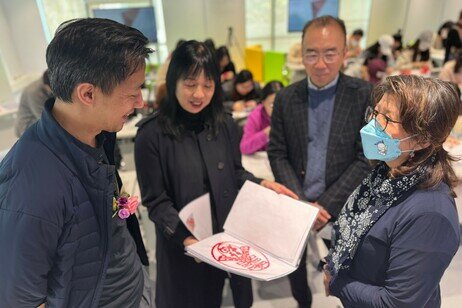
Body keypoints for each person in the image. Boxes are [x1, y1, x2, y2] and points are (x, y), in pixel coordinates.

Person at [0, 18, 153, 307]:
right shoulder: (30, 188)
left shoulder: (97, 134)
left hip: (132, 287)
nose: (140, 103)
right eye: (132, 93)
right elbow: (18, 299)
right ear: (88, 94)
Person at [134, 40, 297, 308]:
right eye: (190, 84)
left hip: (223, 242)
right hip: (182, 246)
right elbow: (156, 201)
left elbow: (234, 174)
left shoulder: (224, 125)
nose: (199, 94)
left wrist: (263, 184)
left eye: (207, 85)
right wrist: (186, 240)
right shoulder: (151, 135)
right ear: (174, 81)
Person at [323, 75, 461, 307]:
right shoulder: (389, 170)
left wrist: (337, 282)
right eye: (375, 112)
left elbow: (398, 303)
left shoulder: (430, 214)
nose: (373, 124)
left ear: (421, 140)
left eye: (387, 119)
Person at [268, 15, 372, 308]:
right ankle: (303, 303)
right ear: (301, 54)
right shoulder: (287, 98)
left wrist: (324, 205)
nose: (320, 63)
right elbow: (277, 152)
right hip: (296, 203)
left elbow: (366, 158)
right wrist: (302, 204)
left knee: (347, 271)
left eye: (330, 53)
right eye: (312, 53)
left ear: (345, 53)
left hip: (342, 206)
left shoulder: (363, 94)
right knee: (295, 265)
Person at [240, 80, 283, 155]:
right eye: (272, 105)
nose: (277, 109)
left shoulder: (290, 114)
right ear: (263, 102)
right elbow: (244, 148)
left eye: (281, 103)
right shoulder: (256, 116)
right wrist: (266, 133)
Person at [14, 70, 53, 137]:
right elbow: (43, 117)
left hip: (38, 122)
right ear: (47, 86)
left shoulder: (48, 84)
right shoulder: (34, 92)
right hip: (27, 125)